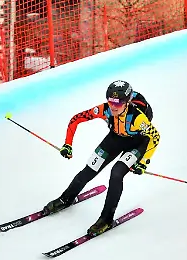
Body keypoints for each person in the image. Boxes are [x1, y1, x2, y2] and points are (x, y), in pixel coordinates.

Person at [43, 80, 160, 235]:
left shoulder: (138, 118)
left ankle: (106, 219)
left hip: (137, 143)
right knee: (90, 168)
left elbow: (155, 137)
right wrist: (68, 144)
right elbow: (76, 119)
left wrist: (144, 162)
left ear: (127, 102)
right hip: (116, 138)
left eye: (118, 104)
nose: (113, 107)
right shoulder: (104, 110)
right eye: (111, 102)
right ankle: (66, 198)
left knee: (116, 174)